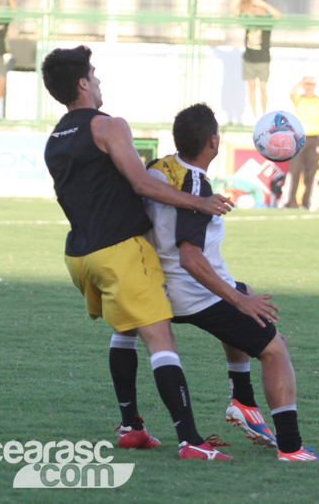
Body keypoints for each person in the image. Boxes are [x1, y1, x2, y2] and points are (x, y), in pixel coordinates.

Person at [41, 45, 235, 461]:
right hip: (121, 250)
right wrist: (199, 202)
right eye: (94, 74)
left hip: (80, 256)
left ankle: (132, 428)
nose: (99, 81)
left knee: (124, 329)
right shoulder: (109, 126)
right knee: (160, 338)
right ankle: (191, 441)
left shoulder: (53, 140)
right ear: (82, 84)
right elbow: (141, 184)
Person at [143, 102, 319, 461]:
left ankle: (242, 400)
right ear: (213, 142)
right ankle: (291, 448)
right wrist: (238, 301)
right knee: (275, 348)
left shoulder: (158, 169)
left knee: (243, 289)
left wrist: (239, 294)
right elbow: (190, 258)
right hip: (193, 293)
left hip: (160, 286)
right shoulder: (197, 188)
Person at [286, 76, 319, 209]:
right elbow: (292, 93)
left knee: (311, 172)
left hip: (314, 138)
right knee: (294, 171)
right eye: (307, 84)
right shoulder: (299, 99)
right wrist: (301, 82)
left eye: (311, 84)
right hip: (299, 138)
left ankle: (307, 202)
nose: (309, 87)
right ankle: (290, 202)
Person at [231, 0, 281, 121]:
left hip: (263, 60)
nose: (257, 9)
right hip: (249, 60)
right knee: (251, 88)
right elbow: (234, 11)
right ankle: (255, 117)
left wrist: (263, 4)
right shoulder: (249, 20)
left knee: (263, 88)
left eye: (259, 7)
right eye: (255, 7)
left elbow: (277, 15)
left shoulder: (267, 21)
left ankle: (264, 114)